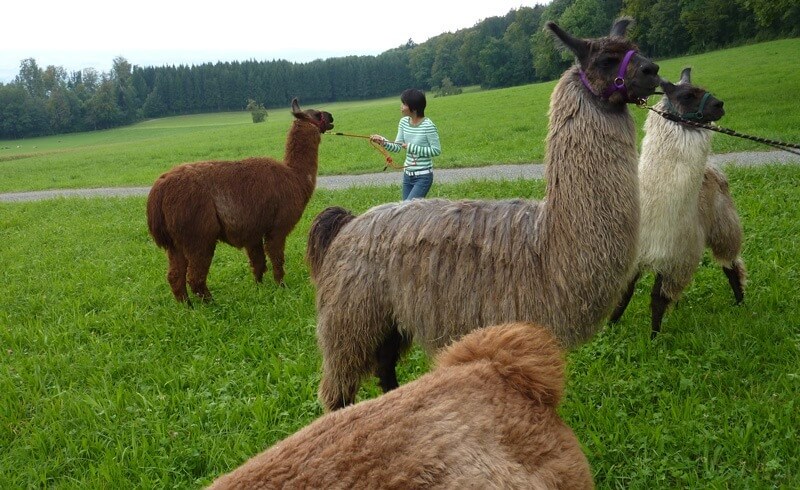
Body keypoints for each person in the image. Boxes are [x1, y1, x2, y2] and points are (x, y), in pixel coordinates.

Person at [371, 89, 441, 200]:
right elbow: (397, 147)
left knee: (408, 209)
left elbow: (436, 150)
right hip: (407, 176)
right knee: (406, 212)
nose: (401, 106)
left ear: (414, 108)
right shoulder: (403, 122)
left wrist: (412, 147)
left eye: (404, 104)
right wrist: (382, 141)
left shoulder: (428, 126)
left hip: (423, 176)